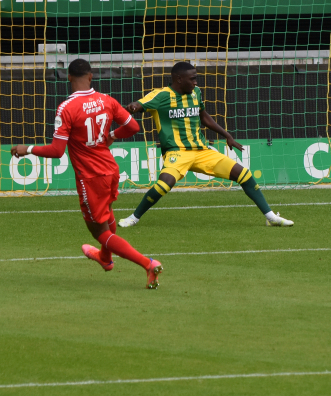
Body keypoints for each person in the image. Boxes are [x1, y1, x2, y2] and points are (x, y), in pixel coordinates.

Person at [10, 59, 163, 289]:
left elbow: (56, 150)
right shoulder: (107, 100)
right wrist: (112, 136)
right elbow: (133, 128)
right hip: (111, 170)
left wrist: (27, 149)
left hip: (90, 177)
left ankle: (147, 263)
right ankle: (105, 258)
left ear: (69, 78)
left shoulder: (66, 108)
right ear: (91, 76)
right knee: (107, 214)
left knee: (98, 231)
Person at [117, 62, 293, 228]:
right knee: (164, 185)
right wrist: (133, 106)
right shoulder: (161, 95)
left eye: (196, 78)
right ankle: (133, 218)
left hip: (202, 151)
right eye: (192, 78)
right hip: (177, 152)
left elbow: (203, 116)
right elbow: (139, 104)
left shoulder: (196, 93)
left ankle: (271, 218)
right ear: (179, 79)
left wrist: (227, 135)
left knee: (244, 174)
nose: (195, 82)